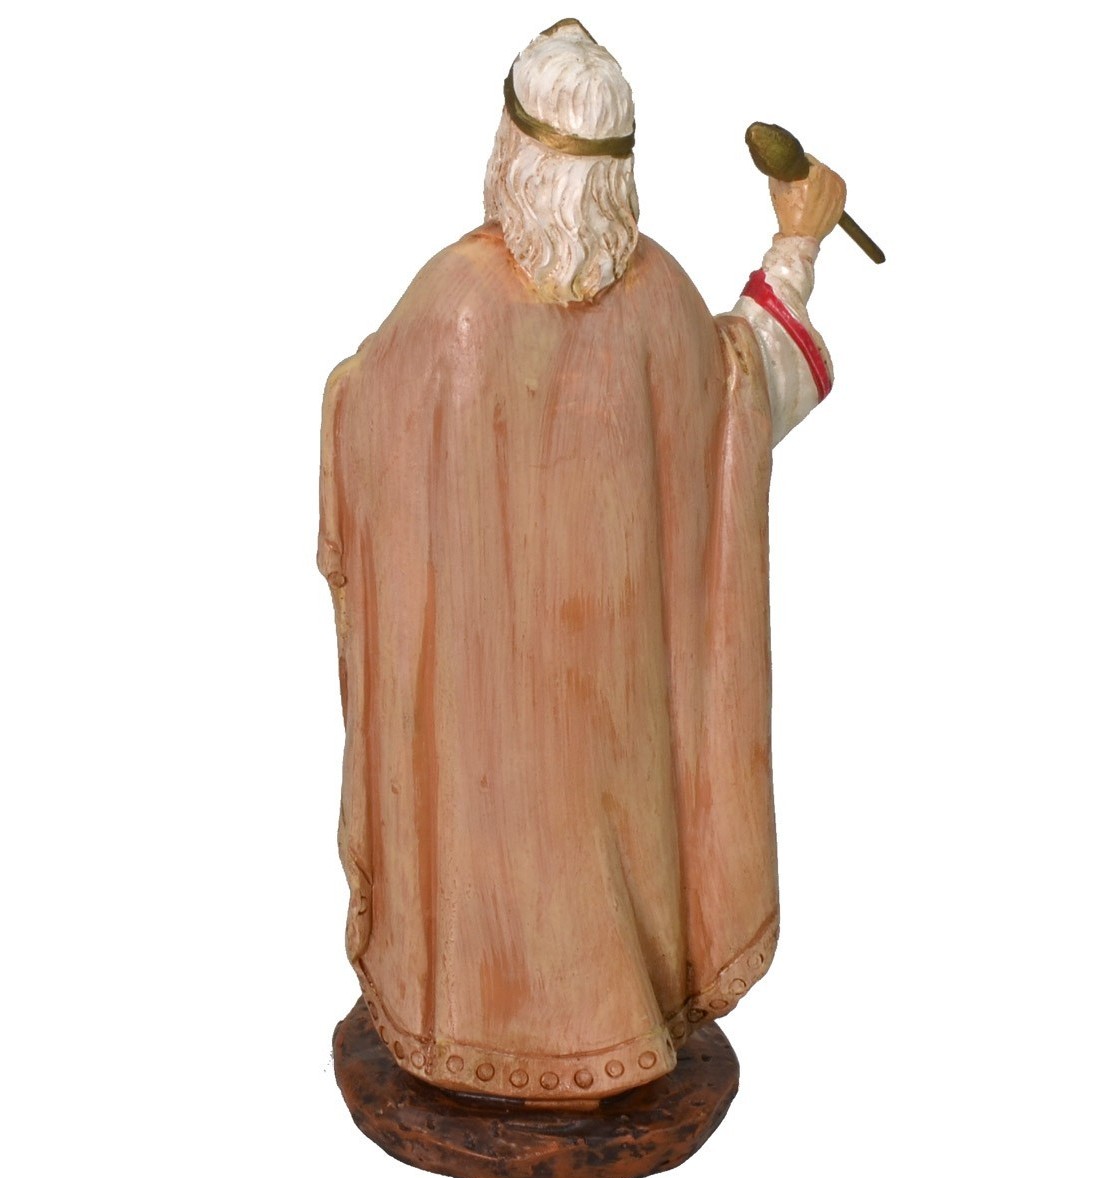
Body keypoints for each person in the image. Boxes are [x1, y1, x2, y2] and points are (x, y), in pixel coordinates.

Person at [318, 19, 846, 1102]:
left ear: (510, 156)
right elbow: (751, 388)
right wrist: (797, 242)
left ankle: (472, 1025)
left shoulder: (449, 306)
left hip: (476, 758)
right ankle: (609, 1018)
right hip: (617, 743)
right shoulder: (659, 303)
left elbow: (356, 411)